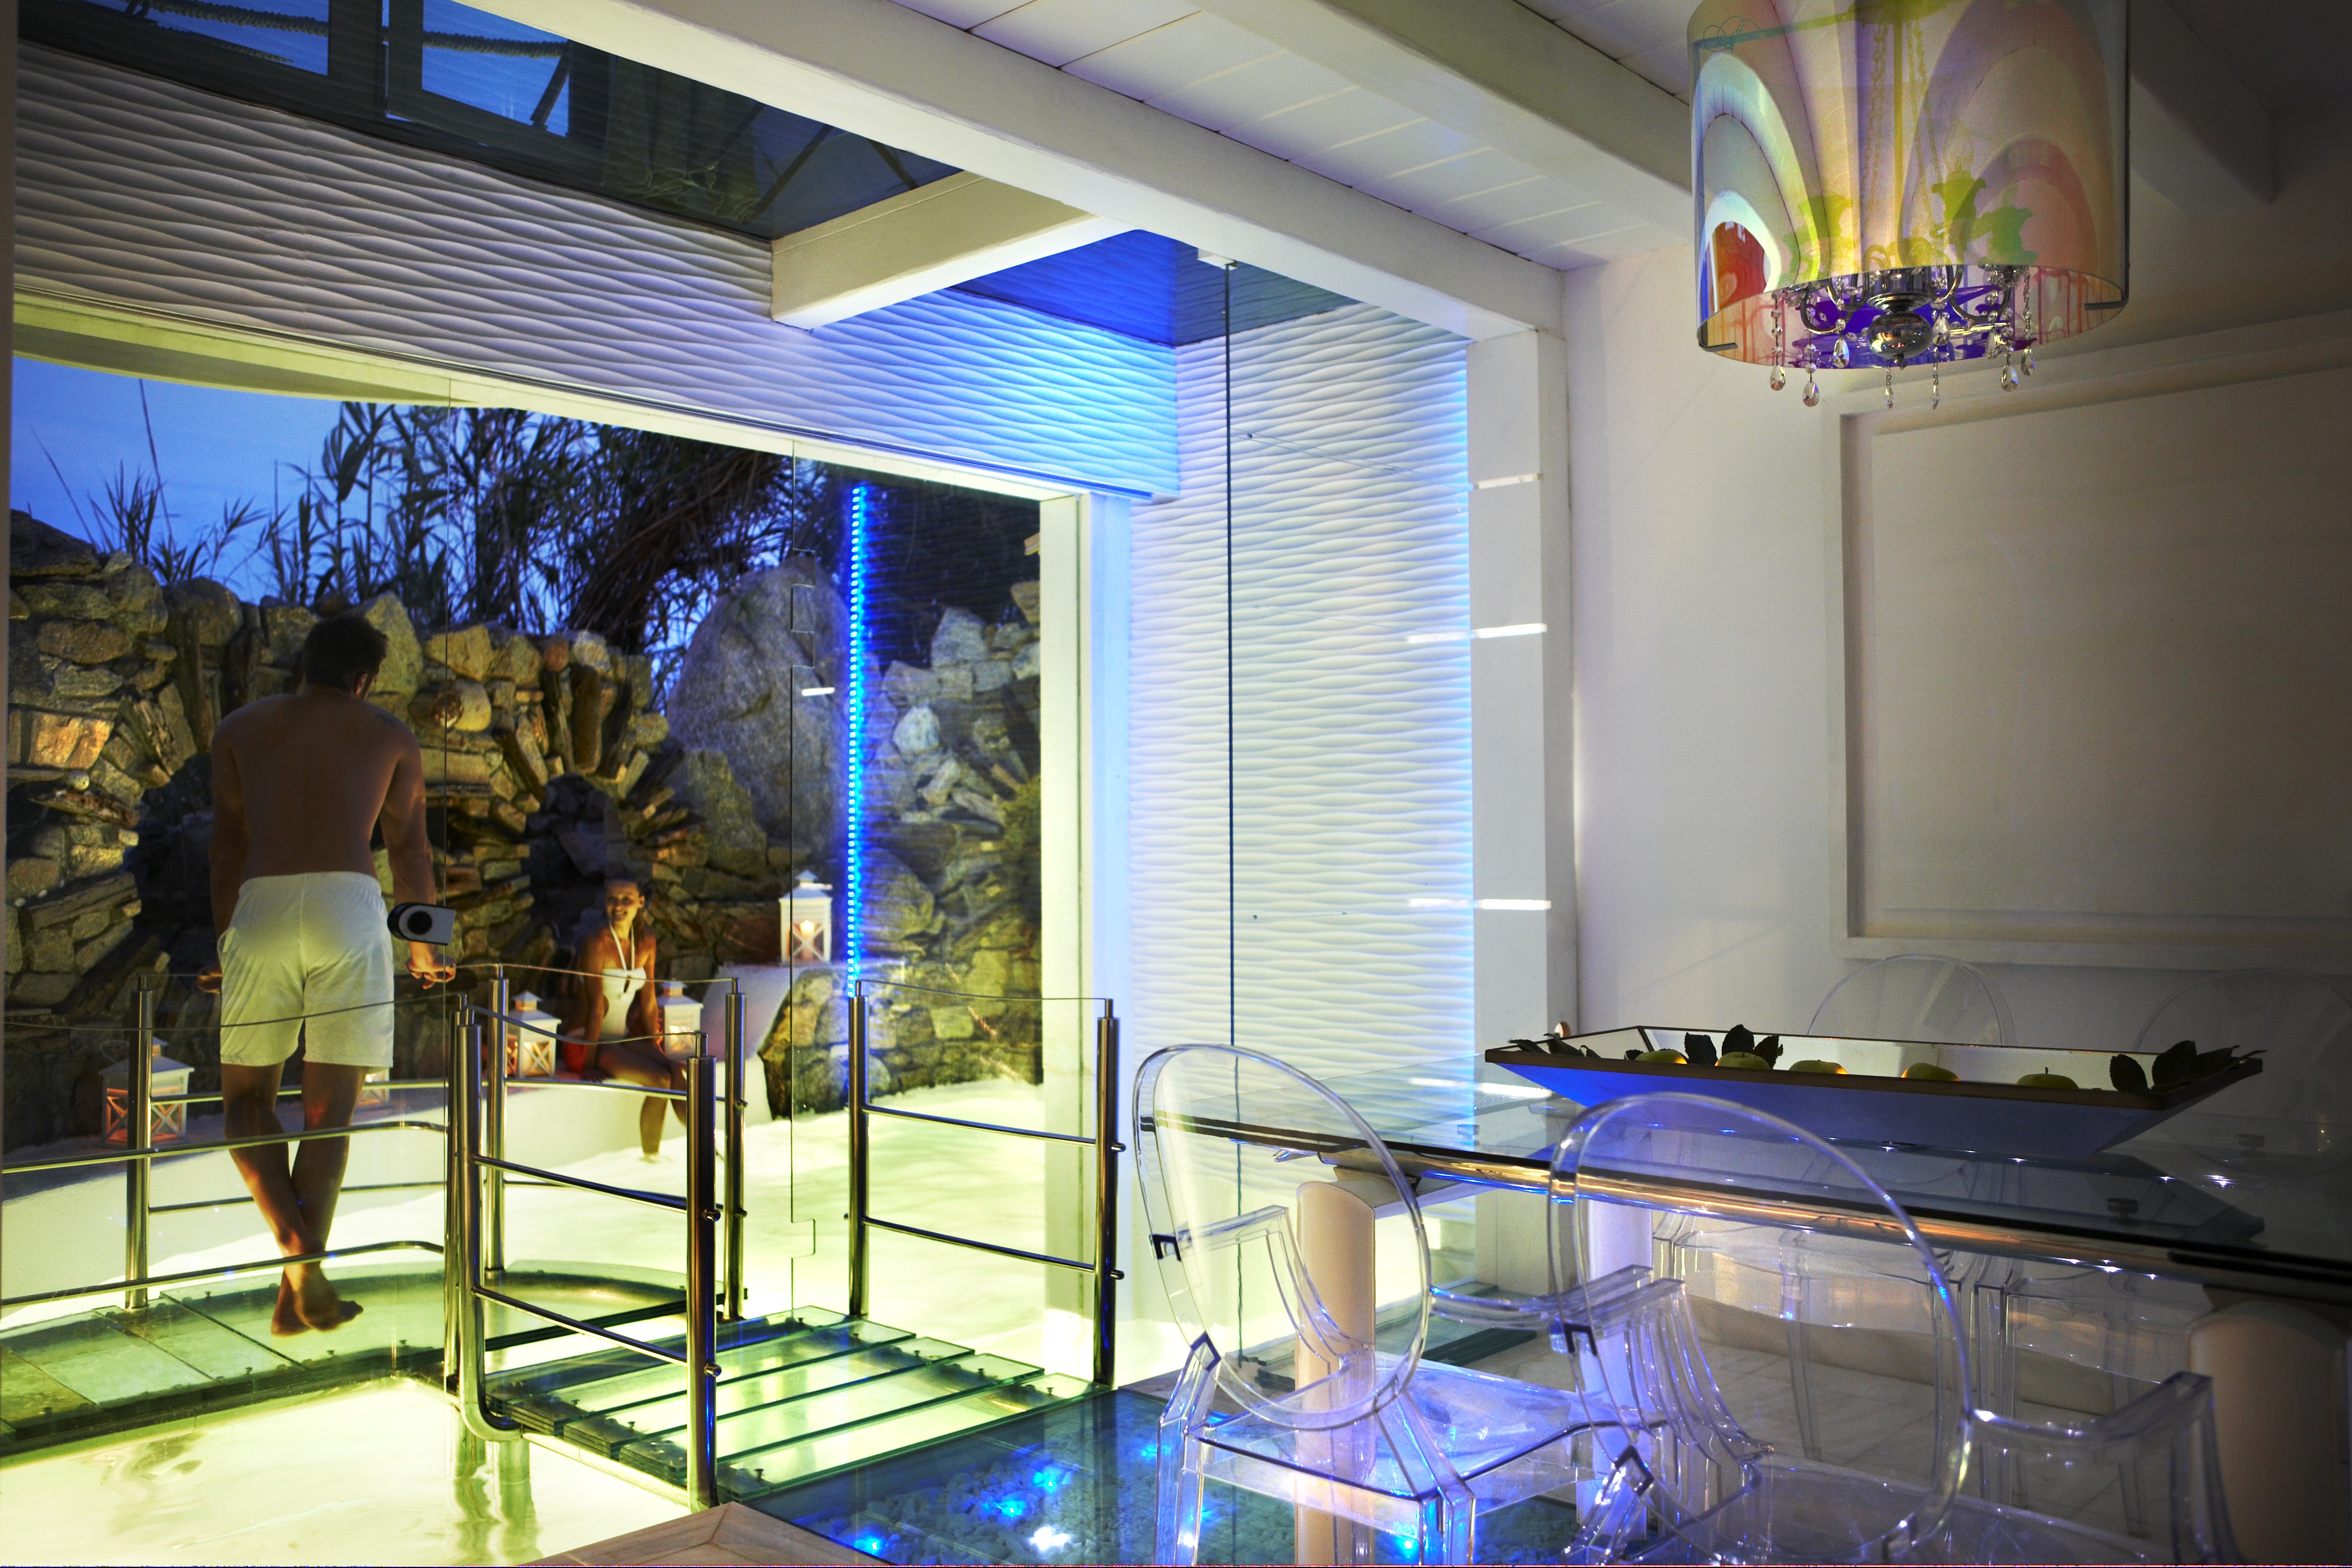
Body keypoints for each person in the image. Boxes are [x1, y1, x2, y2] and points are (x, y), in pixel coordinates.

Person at [204, 613, 455, 1336]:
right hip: (350, 907)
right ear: (364, 679)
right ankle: (304, 1271)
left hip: (261, 906)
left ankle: (298, 1264)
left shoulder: (240, 729)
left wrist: (228, 944)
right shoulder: (390, 735)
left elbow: (228, 848)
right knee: (329, 1114)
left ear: (306, 664)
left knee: (246, 1099)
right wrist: (425, 948)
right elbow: (411, 851)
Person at [566, 877, 680, 1158]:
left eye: (626, 899)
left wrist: (653, 1047)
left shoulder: (647, 941)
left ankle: (705, 1145)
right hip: (585, 1042)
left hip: (619, 1038)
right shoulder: (597, 942)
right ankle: (650, 1158)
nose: (618, 906)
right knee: (659, 1081)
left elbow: (649, 1001)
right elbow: (596, 1006)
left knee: (677, 1070)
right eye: (612, 899)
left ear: (641, 903)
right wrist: (588, 1064)